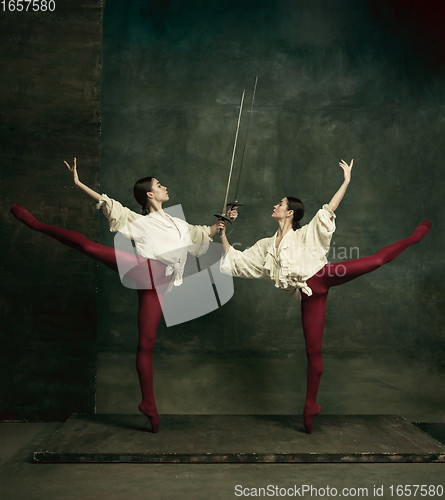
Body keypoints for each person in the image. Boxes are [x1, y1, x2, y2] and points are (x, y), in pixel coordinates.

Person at [11, 158, 237, 433]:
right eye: (159, 184)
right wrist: (79, 183)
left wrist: (224, 221)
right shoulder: (137, 220)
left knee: (146, 343)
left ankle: (148, 403)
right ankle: (36, 224)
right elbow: (108, 203)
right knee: (87, 245)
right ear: (149, 194)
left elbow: (205, 233)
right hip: (143, 270)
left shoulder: (179, 225)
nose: (165, 187)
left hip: (160, 283)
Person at [217, 159, 431, 433]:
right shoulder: (265, 246)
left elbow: (328, 209)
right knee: (312, 350)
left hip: (324, 276)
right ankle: (310, 405)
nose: (275, 206)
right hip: (308, 295)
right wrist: (222, 235)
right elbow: (237, 260)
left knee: (376, 261)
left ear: (290, 213)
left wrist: (346, 181)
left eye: (280, 204)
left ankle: (414, 238)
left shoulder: (305, 233)